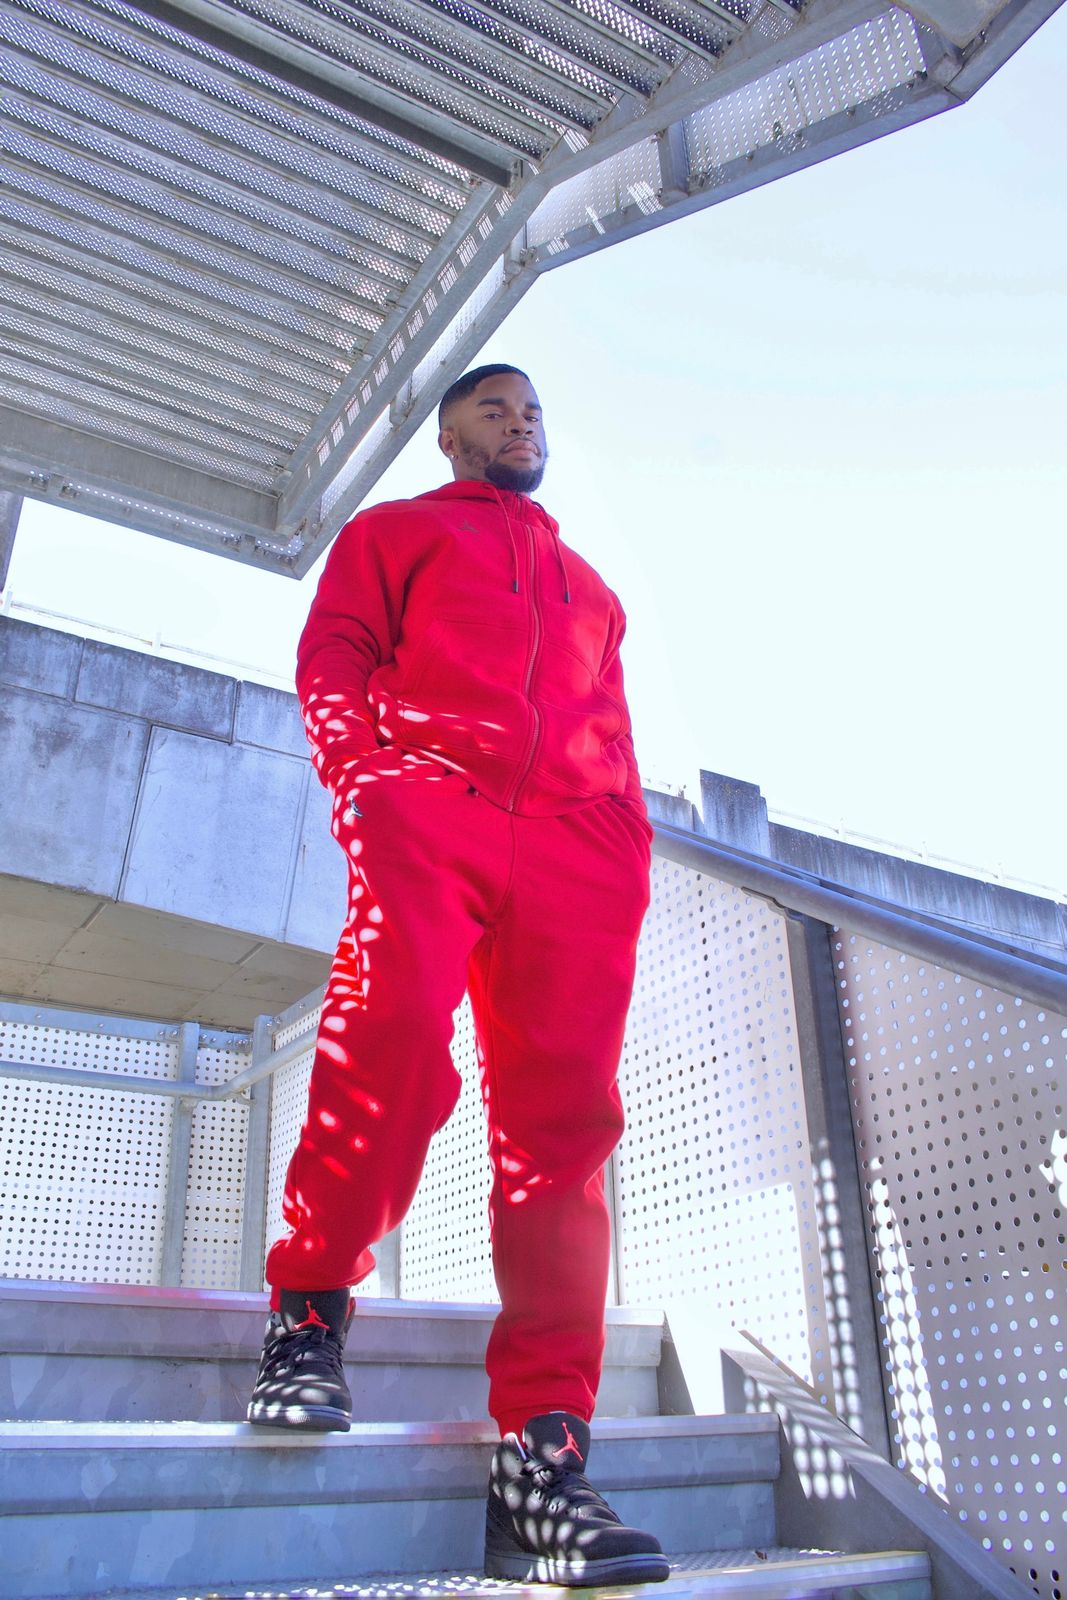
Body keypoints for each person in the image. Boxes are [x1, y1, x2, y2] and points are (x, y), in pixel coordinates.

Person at [247, 364, 667, 1586]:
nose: (520, 422)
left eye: (532, 411)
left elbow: (614, 728)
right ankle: (309, 1313)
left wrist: (624, 839)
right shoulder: (394, 534)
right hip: (431, 803)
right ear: (446, 436)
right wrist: (366, 783)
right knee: (383, 1041)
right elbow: (334, 655)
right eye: (495, 408)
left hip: (578, 848)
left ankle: (543, 1453)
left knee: (562, 1134)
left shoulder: (593, 592)